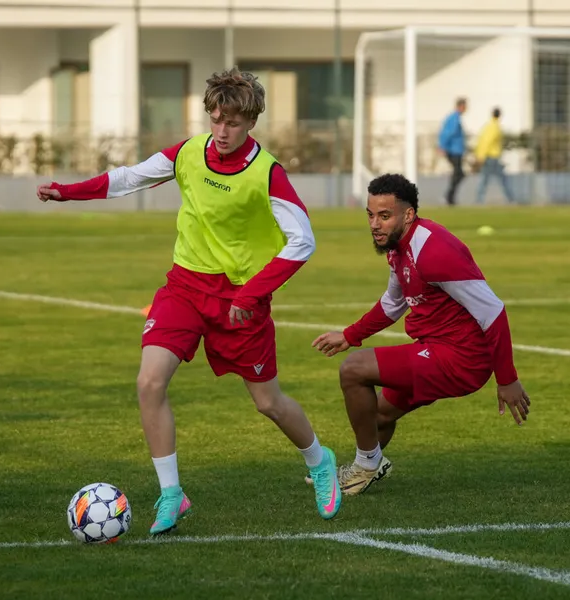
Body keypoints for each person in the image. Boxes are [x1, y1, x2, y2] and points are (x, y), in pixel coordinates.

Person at [36, 68, 341, 533]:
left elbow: (303, 241)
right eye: (216, 119)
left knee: (268, 403)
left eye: (232, 123)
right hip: (184, 287)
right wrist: (68, 193)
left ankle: (320, 463)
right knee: (149, 383)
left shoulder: (267, 173)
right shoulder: (188, 153)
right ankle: (172, 494)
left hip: (240, 300)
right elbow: (130, 178)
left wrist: (251, 293)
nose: (222, 131)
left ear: (251, 122)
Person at [311, 173, 530, 495]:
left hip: (460, 357)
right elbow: (393, 303)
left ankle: (368, 464)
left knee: (353, 369)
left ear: (408, 214)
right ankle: (364, 468)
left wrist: (507, 379)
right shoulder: (398, 247)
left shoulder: (435, 250)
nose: (374, 224)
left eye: (384, 216)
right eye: (370, 215)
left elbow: (493, 311)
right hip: (435, 347)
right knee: (379, 415)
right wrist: (350, 335)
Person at [474, 107, 516, 204]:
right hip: (492, 157)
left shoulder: (488, 126)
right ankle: (510, 199)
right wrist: (482, 156)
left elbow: (482, 141)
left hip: (488, 156)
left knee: (486, 179)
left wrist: (479, 154)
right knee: (501, 179)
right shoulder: (496, 127)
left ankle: (479, 199)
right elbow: (487, 142)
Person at [437, 98, 468, 206]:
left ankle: (450, 197)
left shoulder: (455, 118)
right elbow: (448, 133)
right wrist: (442, 146)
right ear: (460, 106)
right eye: (465, 106)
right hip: (454, 151)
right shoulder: (454, 118)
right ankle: (448, 197)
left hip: (457, 150)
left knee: (458, 174)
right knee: (458, 174)